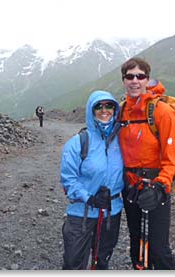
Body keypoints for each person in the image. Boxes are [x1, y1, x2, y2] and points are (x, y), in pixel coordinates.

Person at [118, 57, 175, 270]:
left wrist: (161, 187)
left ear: (147, 79)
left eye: (140, 76)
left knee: (159, 249)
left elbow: (172, 160)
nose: (135, 81)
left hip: (155, 187)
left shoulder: (162, 112)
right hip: (131, 187)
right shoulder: (121, 110)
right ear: (124, 80)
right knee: (137, 244)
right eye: (129, 76)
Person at [60, 90, 124, 270]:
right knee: (74, 263)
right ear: (91, 110)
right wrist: (90, 198)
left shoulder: (122, 140)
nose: (104, 110)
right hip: (82, 212)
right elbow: (68, 180)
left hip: (112, 211)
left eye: (109, 106)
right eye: (99, 106)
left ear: (115, 109)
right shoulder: (78, 142)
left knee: (102, 260)